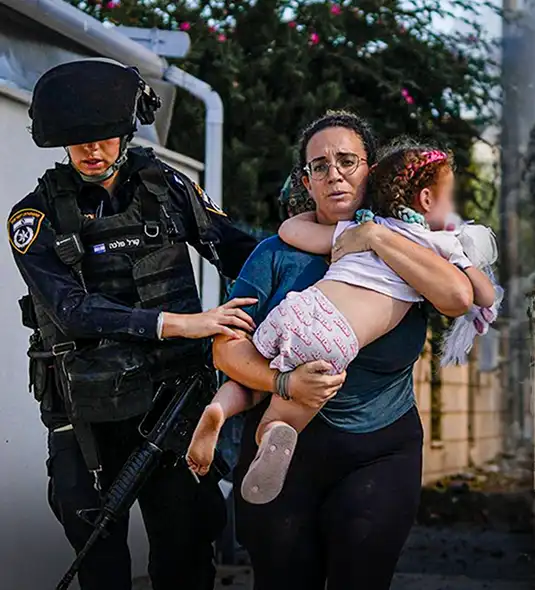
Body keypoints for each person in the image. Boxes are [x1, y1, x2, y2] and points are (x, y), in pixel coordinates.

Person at [9, 59, 260, 590]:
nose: (92, 151)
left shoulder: (168, 187)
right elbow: (71, 309)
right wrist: (178, 324)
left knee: (185, 555)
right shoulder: (33, 216)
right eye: (79, 142)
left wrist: (314, 274)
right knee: (100, 562)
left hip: (174, 401)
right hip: (86, 416)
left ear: (126, 132)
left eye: (103, 137)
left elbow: (237, 251)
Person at [211, 110, 475, 589]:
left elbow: (458, 296)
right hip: (285, 448)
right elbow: (226, 349)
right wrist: (282, 381)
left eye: (348, 160)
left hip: (381, 450)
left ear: (372, 170)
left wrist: (372, 235)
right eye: (319, 166)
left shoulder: (406, 244)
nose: (334, 173)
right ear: (306, 182)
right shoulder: (274, 254)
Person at [185, 141, 499, 506]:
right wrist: (470, 263)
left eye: (348, 162)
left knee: (253, 376)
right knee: (288, 410)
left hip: (299, 308)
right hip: (336, 338)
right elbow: (482, 295)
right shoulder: (437, 245)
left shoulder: (360, 229)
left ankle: (219, 409)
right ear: (427, 200)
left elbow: (291, 231)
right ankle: (275, 431)